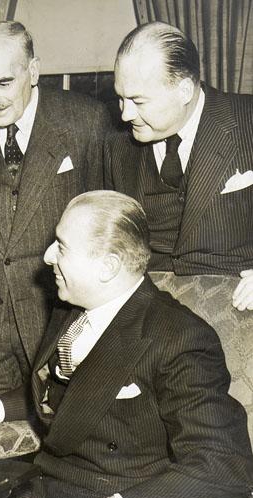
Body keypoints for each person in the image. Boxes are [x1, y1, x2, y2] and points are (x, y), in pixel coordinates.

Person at [0, 190, 253, 498]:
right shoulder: (69, 307)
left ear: (108, 267)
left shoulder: (178, 337)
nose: (46, 257)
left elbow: (223, 464)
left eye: (61, 246)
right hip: (39, 486)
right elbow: (60, 394)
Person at [0, 21, 111, 409]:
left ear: (33, 71)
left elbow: (106, 219)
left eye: (4, 83)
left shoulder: (86, 122)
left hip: (58, 316)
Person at [105, 21, 253, 311]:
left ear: (185, 90)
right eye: (121, 98)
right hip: (154, 315)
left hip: (240, 307)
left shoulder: (248, 121)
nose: (125, 114)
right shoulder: (116, 146)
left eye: (137, 100)